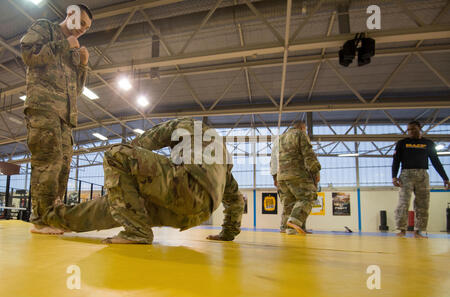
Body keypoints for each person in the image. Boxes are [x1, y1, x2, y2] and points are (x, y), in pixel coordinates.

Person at [37, 118, 245, 244]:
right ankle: (57, 219)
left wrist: (125, 168)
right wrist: (227, 234)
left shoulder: (185, 125)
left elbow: (146, 141)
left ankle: (137, 233)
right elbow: (236, 201)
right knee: (124, 206)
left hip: (184, 188)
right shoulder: (222, 161)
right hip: (195, 215)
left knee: (116, 154)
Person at [20, 4, 93, 234]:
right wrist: (65, 44)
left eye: (86, 27)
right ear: (70, 15)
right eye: (81, 22)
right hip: (43, 107)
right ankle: (41, 219)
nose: (82, 29)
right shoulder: (45, 28)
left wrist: (82, 65)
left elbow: (77, 90)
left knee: (63, 165)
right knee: (47, 160)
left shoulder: (73, 51)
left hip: (65, 116)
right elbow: (29, 55)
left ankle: (54, 215)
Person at [392, 120, 449, 238]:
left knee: (423, 203)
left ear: (419, 128)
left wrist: (445, 178)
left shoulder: (428, 143)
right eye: (408, 130)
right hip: (406, 174)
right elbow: (396, 160)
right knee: (403, 202)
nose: (410, 131)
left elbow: (435, 161)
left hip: (422, 174)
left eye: (413, 129)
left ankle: (418, 231)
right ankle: (401, 229)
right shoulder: (402, 143)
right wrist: (394, 176)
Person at [276, 121, 321, 235]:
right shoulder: (300, 134)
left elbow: (273, 159)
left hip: (281, 176)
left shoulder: (280, 138)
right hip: (297, 174)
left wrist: (275, 176)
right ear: (302, 127)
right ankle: (294, 221)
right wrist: (315, 171)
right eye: (305, 129)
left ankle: (287, 228)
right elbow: (308, 153)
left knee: (289, 204)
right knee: (308, 196)